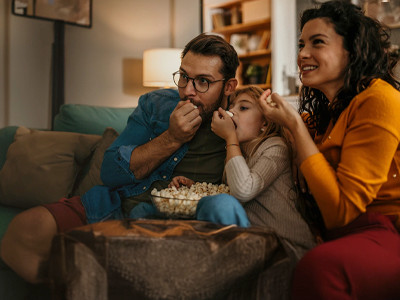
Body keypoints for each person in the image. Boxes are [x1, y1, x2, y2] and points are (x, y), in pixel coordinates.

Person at [0, 33, 239, 284]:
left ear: (229, 86)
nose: (188, 91)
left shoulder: (242, 120)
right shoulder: (155, 104)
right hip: (113, 205)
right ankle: (84, 285)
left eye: (203, 81)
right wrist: (172, 138)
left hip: (167, 224)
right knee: (23, 232)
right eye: (184, 77)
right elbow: (111, 171)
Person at [257, 1, 400, 299]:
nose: (302, 54)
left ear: (352, 50)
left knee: (320, 267)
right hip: (335, 231)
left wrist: (295, 127)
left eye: (317, 42)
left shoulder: (380, 100)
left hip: (386, 231)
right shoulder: (325, 114)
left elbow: (341, 210)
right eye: (301, 44)